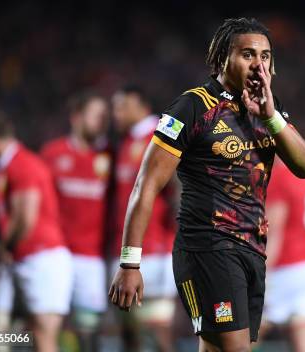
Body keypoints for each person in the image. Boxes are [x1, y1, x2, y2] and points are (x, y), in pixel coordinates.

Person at [108, 17, 305, 352]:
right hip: (208, 248)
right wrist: (130, 262)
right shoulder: (192, 106)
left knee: (215, 348)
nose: (257, 64)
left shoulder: (269, 108)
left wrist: (270, 116)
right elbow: (146, 186)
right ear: (223, 58)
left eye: (264, 56)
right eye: (247, 54)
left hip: (252, 249)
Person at [0, 111, 74, 352]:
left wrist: (4, 246)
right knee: (3, 332)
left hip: (42, 258)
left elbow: (25, 218)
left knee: (43, 335)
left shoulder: (22, 165)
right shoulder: (7, 167)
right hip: (24, 258)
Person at [41, 92, 110, 351]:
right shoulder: (52, 154)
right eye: (97, 115)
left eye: (105, 116)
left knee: (89, 332)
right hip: (55, 255)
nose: (103, 121)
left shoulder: (110, 158)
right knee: (47, 325)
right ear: (76, 118)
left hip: (92, 259)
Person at [111, 85, 178, 351]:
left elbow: (178, 186)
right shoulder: (126, 142)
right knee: (130, 333)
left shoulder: (159, 134)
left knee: (157, 331)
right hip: (129, 251)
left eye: (121, 106)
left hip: (156, 250)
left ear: (140, 105)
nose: (115, 114)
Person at [261, 158, 305, 352]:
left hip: (285, 269)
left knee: (244, 337)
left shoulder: (281, 177)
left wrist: (261, 273)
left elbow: (275, 231)